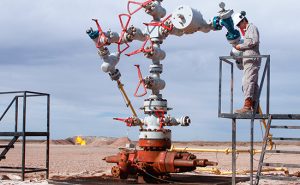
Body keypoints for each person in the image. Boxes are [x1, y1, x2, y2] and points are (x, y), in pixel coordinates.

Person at [232, 11, 261, 114]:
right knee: (252, 83)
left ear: (243, 20)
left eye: (239, 24)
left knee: (247, 81)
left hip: (251, 59)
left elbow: (253, 41)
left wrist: (240, 47)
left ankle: (247, 106)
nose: (239, 27)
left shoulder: (251, 28)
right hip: (249, 59)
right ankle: (255, 106)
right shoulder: (247, 30)